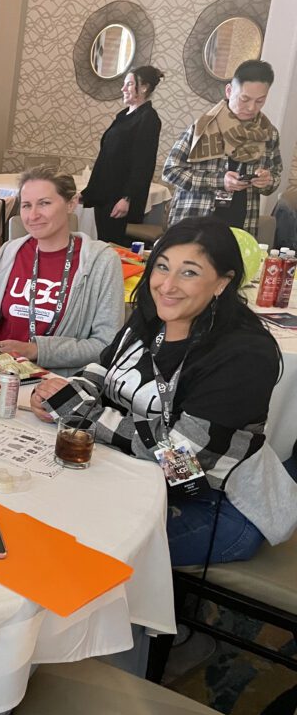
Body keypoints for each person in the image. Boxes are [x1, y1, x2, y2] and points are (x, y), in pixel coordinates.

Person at [30, 217, 296, 566]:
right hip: (133, 478)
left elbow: (181, 463)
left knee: (78, 549)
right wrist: (71, 390)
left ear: (223, 282)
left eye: (189, 272)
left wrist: (77, 411)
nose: (167, 285)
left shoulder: (244, 355)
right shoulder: (152, 316)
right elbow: (104, 368)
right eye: (162, 267)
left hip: (219, 506)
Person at [0, 168, 123, 376]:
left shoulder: (100, 261)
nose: (33, 215)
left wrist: (36, 350)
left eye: (44, 203)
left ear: (71, 203)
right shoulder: (10, 251)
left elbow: (106, 344)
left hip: (51, 381)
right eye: (26, 205)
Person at [163, 59, 282, 237]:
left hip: (241, 225)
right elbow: (171, 171)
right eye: (244, 99)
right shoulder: (204, 126)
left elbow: (275, 176)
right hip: (195, 222)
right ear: (229, 91)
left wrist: (267, 180)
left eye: (260, 101)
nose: (251, 107)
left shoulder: (268, 133)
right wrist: (219, 181)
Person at [81, 66, 164, 247]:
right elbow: (106, 158)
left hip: (120, 199)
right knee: (104, 244)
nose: (123, 89)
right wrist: (88, 193)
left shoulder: (148, 118)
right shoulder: (123, 115)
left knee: (116, 247)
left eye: (129, 85)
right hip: (105, 195)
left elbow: (143, 163)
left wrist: (127, 198)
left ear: (143, 88)